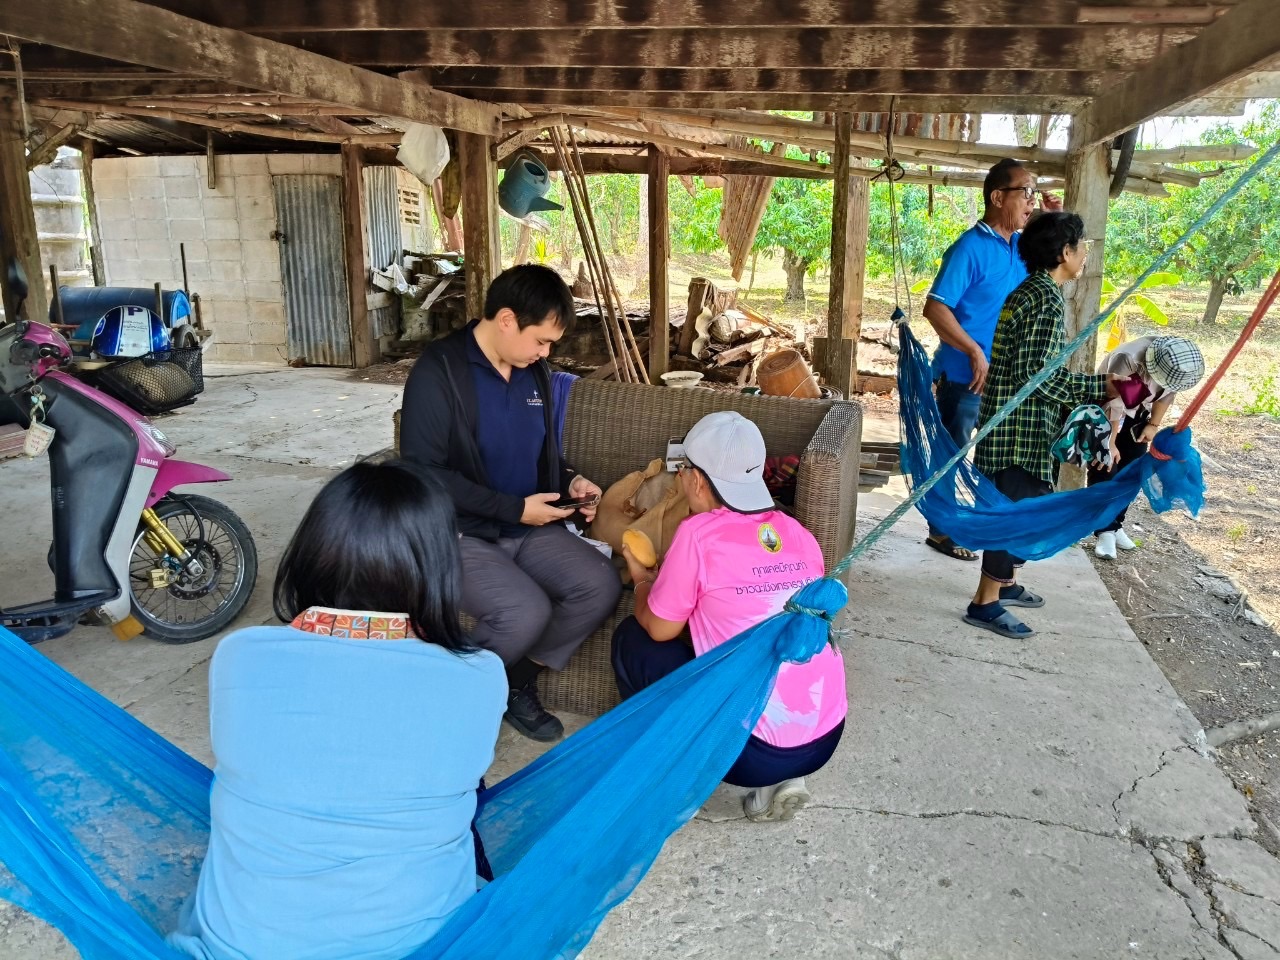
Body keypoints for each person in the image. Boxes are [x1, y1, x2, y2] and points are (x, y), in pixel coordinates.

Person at [169, 461, 507, 960]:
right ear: (437, 564)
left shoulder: (241, 656)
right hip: (416, 946)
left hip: (241, 946)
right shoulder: (479, 676)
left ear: (312, 552)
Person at [400, 264, 621, 742]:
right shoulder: (439, 372)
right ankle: (449, 701)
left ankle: (514, 683)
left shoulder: (533, 373)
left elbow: (538, 450)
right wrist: (515, 510)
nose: (547, 353)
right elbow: (423, 472)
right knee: (524, 611)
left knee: (599, 585)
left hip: (526, 526)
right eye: (541, 340)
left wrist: (570, 480)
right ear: (505, 320)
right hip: (458, 533)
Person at [611, 411, 847, 822]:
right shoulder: (798, 533)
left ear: (697, 480)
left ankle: (669, 776)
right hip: (826, 735)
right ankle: (787, 780)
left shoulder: (698, 533)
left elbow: (660, 628)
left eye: (683, 468)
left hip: (750, 752)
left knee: (633, 639)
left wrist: (642, 582)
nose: (682, 476)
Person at [963, 212, 1114, 640]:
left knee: (1017, 510)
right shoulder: (1044, 299)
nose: (1085, 254)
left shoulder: (1029, 291)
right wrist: (1099, 386)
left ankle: (1005, 585)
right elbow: (1038, 377)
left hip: (1011, 426)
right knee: (1012, 516)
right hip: (1019, 435)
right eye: (1081, 246)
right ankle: (984, 602)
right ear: (1065, 252)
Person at [922, 158, 1062, 561]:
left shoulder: (1020, 246)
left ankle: (988, 530)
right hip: (965, 376)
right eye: (1026, 192)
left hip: (1006, 381)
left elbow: (1061, 259)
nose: (1032, 201)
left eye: (1035, 193)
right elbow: (936, 308)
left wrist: (1052, 220)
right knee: (950, 452)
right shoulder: (970, 248)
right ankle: (942, 531)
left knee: (996, 456)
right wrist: (972, 350)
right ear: (998, 197)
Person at [1089, 335, 1205, 559]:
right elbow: (1114, 403)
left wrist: (1153, 424)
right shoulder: (1129, 358)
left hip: (1136, 414)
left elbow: (1167, 394)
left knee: (1131, 469)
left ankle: (1116, 524)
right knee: (1105, 466)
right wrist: (1110, 442)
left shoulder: (1176, 367)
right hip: (1104, 411)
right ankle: (1104, 530)